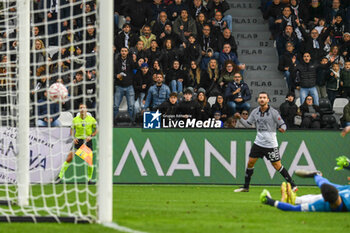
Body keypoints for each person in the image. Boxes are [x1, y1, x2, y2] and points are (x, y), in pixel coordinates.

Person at [234, 92, 297, 192]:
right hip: (258, 143)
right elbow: (248, 124)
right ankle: (246, 187)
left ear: (268, 100)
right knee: (250, 163)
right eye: (260, 98)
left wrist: (283, 129)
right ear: (258, 100)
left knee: (277, 165)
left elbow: (283, 124)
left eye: (264, 98)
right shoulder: (255, 112)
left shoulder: (273, 112)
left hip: (270, 144)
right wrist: (240, 119)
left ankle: (293, 185)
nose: (262, 99)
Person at [260, 171, 350, 212]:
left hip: (340, 190)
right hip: (346, 189)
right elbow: (293, 209)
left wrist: (269, 201)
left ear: (325, 200)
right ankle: (316, 175)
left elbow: (294, 209)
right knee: (323, 184)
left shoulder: (321, 205)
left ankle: (316, 175)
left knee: (323, 184)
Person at [58, 103, 97, 182]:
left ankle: (89, 179)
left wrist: (91, 136)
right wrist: (73, 138)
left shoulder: (91, 119)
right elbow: (72, 129)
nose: (82, 109)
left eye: (84, 108)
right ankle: (59, 177)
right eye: (81, 108)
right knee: (69, 158)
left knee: (89, 161)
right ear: (79, 110)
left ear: (86, 110)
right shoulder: (75, 119)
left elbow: (97, 129)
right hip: (78, 141)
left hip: (87, 141)